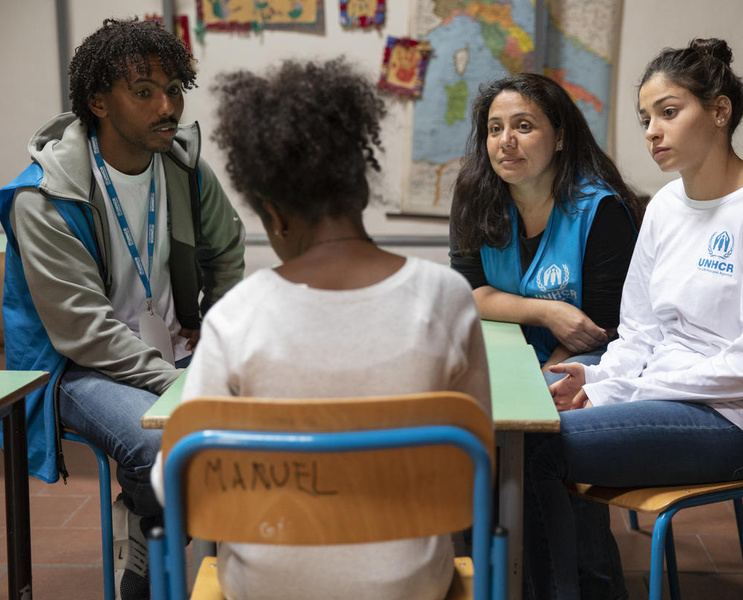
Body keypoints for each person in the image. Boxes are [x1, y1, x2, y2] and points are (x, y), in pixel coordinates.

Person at [151, 58, 492, 600]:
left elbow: (176, 484)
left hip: (265, 587)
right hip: (410, 584)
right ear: (360, 191)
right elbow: (477, 459)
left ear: (275, 216)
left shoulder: (236, 315)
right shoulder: (445, 297)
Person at [529, 38, 743, 600]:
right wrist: (604, 378)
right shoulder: (665, 207)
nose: (652, 130)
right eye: (645, 117)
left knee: (535, 448)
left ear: (720, 112)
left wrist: (629, 390)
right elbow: (642, 332)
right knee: (521, 419)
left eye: (669, 113)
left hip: (734, 420)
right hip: (660, 396)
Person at [0, 18, 245, 600]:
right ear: (98, 103)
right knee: (159, 442)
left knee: (274, 404)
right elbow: (85, 333)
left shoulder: (183, 167)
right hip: (75, 365)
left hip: (175, 347)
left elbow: (227, 251)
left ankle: (150, 513)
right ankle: (148, 549)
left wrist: (217, 331)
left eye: (174, 90)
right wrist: (180, 388)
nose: (167, 107)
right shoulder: (44, 197)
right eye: (144, 92)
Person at [449, 73, 643, 383]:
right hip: (503, 343)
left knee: (543, 399)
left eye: (523, 126)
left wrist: (540, 378)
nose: (506, 141)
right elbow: (468, 291)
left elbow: (601, 325)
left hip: (584, 354)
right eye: (495, 129)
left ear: (560, 138)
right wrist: (546, 312)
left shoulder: (603, 210)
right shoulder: (473, 195)